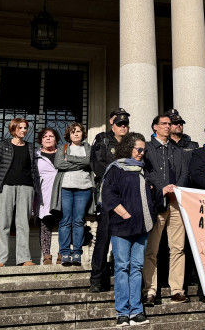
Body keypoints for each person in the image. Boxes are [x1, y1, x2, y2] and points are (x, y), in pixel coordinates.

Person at [101, 132, 169, 326]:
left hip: (142, 225)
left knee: (137, 268)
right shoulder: (116, 168)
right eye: (138, 149)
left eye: (143, 150)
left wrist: (161, 192)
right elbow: (109, 195)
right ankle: (122, 312)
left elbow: (152, 196)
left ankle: (136, 311)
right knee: (122, 267)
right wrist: (125, 214)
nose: (141, 153)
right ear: (129, 148)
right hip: (121, 226)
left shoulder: (143, 170)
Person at [143, 114, 190, 306]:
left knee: (178, 248)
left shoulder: (176, 149)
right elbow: (147, 171)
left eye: (169, 124)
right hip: (157, 202)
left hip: (176, 202)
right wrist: (164, 187)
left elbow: (185, 171)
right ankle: (150, 290)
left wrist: (176, 188)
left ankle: (177, 290)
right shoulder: (147, 148)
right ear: (155, 127)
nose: (168, 127)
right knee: (151, 249)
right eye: (164, 124)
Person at [89, 108, 130, 292]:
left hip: (127, 197)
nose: (123, 127)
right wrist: (117, 175)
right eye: (120, 124)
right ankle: (97, 280)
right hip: (107, 196)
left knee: (126, 238)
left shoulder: (131, 143)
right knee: (103, 238)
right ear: (112, 125)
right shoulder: (102, 139)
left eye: (125, 124)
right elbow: (96, 164)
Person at [0, 118, 40, 267]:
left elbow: (33, 168)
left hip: (26, 187)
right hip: (5, 187)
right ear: (13, 129)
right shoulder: (3, 145)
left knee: (23, 223)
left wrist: (34, 187)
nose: (23, 130)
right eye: (20, 128)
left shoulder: (31, 147)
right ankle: (0, 259)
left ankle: (24, 258)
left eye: (25, 128)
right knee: (3, 223)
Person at [52, 122, 93, 266]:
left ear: (83, 133)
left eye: (79, 131)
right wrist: (81, 163)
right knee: (65, 220)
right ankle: (64, 253)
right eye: (73, 132)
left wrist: (69, 159)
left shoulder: (88, 148)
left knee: (78, 221)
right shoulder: (62, 148)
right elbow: (59, 165)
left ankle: (76, 252)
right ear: (68, 135)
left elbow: (89, 162)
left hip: (84, 188)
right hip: (66, 188)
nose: (76, 134)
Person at [35, 127, 60, 265]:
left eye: (51, 136)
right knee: (45, 225)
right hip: (44, 195)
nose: (48, 138)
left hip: (62, 193)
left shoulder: (63, 154)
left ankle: (63, 254)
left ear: (56, 139)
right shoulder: (35, 156)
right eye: (45, 137)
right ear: (41, 140)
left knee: (64, 225)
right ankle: (47, 256)